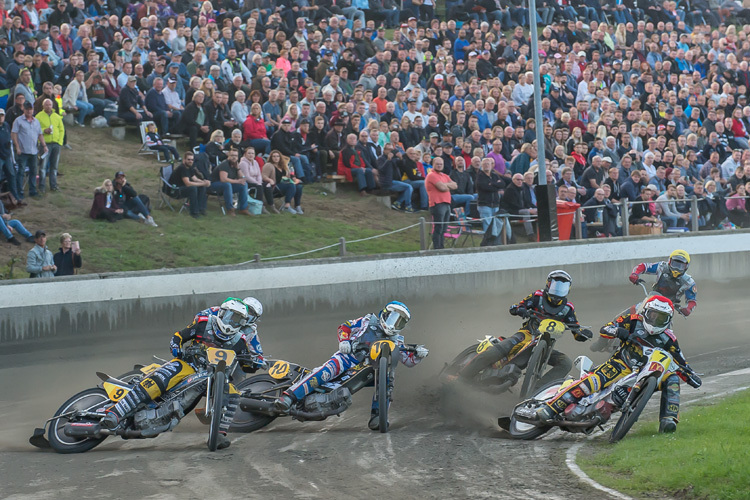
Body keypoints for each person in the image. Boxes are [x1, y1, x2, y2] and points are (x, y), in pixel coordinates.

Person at [101, 297, 266, 450]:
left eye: (237, 319)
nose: (231, 321)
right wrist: (177, 349)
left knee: (233, 394)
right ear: (222, 313)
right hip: (189, 364)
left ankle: (220, 434)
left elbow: (248, 365)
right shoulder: (204, 322)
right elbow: (179, 336)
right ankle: (116, 412)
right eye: (229, 316)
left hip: (214, 375)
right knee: (159, 380)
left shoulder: (241, 339)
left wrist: (253, 363)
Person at [535, 295, 701, 434]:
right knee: (592, 382)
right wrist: (617, 331)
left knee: (672, 378)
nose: (656, 320)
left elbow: (681, 362)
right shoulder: (632, 320)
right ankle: (552, 407)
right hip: (621, 364)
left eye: (661, 318)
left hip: (647, 373)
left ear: (668, 320)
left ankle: (668, 420)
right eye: (653, 315)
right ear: (645, 312)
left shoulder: (669, 339)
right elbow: (606, 328)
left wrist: (691, 376)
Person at [273, 301, 429, 431]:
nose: (394, 324)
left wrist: (418, 355)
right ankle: (288, 397)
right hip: (348, 357)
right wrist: (344, 341)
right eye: (393, 318)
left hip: (370, 368)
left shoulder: (397, 340)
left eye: (399, 321)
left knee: (387, 381)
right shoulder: (368, 320)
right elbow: (344, 326)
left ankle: (378, 416)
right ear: (385, 314)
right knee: (325, 371)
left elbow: (408, 361)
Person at [459, 270, 592, 385]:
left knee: (566, 363)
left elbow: (575, 328)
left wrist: (582, 333)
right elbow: (518, 306)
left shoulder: (568, 308)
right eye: (556, 285)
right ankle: (461, 378)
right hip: (526, 334)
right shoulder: (537, 296)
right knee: (499, 350)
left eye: (562, 286)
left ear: (568, 289)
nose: (558, 289)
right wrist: (520, 310)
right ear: (548, 284)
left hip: (546, 345)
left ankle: (537, 391)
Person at [629, 250, 697, 316]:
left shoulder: (689, 282)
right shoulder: (662, 267)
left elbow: (692, 300)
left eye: (680, 266)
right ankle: (619, 323)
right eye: (675, 264)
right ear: (670, 262)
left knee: (667, 325)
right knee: (633, 310)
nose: (676, 269)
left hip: (668, 308)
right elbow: (644, 266)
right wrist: (635, 274)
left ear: (686, 267)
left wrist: (688, 309)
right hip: (652, 300)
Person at [11, 102, 47, 198]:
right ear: (24, 109)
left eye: (31, 109)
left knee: (34, 171)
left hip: (34, 151)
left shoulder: (36, 121)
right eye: (27, 109)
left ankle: (33, 191)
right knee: (21, 172)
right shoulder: (18, 121)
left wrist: (44, 145)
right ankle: (20, 192)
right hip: (22, 151)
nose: (29, 111)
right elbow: (14, 134)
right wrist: (17, 146)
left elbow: (40, 134)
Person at [210, 149, 253, 216]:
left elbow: (243, 178)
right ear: (228, 156)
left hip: (227, 185)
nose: (234, 157)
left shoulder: (235, 165)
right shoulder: (224, 164)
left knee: (243, 184)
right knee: (227, 185)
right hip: (214, 185)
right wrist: (237, 181)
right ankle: (230, 209)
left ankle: (243, 208)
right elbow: (223, 179)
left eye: (236, 156)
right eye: (232, 155)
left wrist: (238, 169)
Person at [425, 157, 456, 250]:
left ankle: (441, 247)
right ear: (433, 164)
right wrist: (446, 185)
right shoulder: (431, 175)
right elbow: (442, 188)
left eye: (441, 164)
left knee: (444, 229)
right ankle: (437, 248)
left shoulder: (445, 175)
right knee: (438, 228)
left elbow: (455, 185)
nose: (439, 165)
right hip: (437, 203)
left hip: (447, 203)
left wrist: (444, 184)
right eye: (437, 164)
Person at [169, 151, 210, 218]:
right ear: (184, 160)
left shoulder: (190, 167)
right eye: (188, 159)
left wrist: (204, 182)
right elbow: (188, 183)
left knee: (202, 187)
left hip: (182, 187)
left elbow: (195, 178)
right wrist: (202, 183)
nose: (190, 161)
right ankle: (194, 212)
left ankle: (201, 208)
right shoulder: (183, 168)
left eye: (192, 160)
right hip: (175, 190)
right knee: (192, 188)